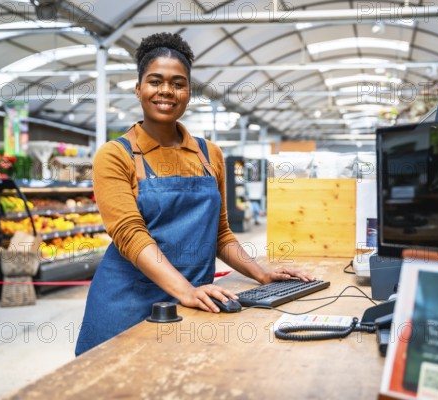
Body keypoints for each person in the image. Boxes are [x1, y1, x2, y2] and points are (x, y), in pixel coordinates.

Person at [75, 32, 314, 356]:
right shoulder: (115, 155)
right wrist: (185, 290)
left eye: (178, 83)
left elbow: (221, 234)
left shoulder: (209, 154)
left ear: (189, 91)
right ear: (138, 88)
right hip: (128, 304)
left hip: (194, 300)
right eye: (155, 81)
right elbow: (130, 235)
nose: (166, 91)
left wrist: (262, 274)